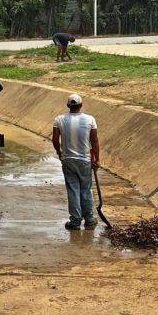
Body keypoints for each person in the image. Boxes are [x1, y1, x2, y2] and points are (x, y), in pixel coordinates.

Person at [52, 93, 100, 230]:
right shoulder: (90, 119)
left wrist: (59, 152)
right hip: (85, 159)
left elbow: (55, 140)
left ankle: (75, 221)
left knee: (73, 189)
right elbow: (94, 141)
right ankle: (89, 218)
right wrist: (97, 159)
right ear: (81, 105)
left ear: (68, 106)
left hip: (67, 159)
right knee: (86, 189)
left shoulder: (59, 119)